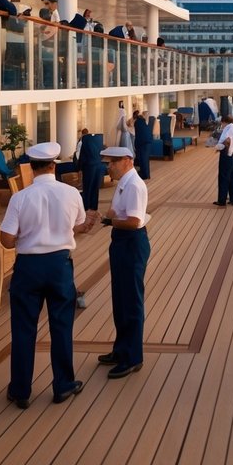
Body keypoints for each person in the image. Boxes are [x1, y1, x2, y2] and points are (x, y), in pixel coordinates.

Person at [0, 142, 94, 408]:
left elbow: (6, 240)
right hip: (59, 266)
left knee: (23, 329)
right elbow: (79, 226)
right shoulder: (71, 193)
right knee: (62, 326)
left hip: (28, 268)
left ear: (32, 167)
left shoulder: (20, 197)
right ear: (54, 165)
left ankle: (20, 391)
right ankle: (63, 385)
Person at [92, 147, 149, 379]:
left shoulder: (134, 185)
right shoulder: (124, 182)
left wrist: (108, 220)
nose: (109, 167)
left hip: (131, 244)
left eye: (112, 162)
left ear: (126, 161)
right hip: (121, 243)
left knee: (131, 301)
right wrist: (107, 215)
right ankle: (121, 349)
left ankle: (133, 357)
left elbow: (134, 221)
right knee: (120, 299)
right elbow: (117, 212)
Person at [213, 114, 233, 207]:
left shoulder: (229, 129)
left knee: (223, 178)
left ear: (224, 122)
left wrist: (217, 146)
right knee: (232, 178)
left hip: (226, 155)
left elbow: (227, 141)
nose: (221, 124)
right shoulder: (232, 128)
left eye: (222, 122)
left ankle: (222, 200)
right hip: (232, 155)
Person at [75, 129, 105, 211]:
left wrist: (79, 167)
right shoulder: (98, 140)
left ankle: (86, 206)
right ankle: (94, 207)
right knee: (95, 188)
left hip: (88, 166)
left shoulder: (83, 141)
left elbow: (80, 155)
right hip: (98, 165)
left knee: (87, 188)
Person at [132, 109, 153, 180]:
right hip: (148, 141)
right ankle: (147, 174)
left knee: (142, 159)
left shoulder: (137, 122)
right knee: (146, 159)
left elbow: (138, 135)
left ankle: (144, 175)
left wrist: (135, 146)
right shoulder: (143, 121)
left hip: (142, 142)